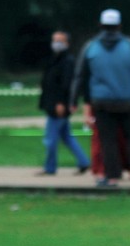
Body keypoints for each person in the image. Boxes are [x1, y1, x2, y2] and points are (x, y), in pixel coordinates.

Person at [71, 8, 130, 188]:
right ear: (119, 25)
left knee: (108, 139)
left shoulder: (90, 46)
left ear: (101, 25)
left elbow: (80, 75)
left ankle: (112, 176)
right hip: (128, 101)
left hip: (101, 102)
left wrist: (74, 100)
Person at [36, 30, 90, 176]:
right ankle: (84, 162)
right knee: (67, 137)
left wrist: (61, 102)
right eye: (54, 40)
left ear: (67, 43)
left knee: (51, 139)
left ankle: (50, 167)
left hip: (58, 105)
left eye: (60, 40)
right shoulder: (55, 59)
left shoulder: (67, 61)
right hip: (52, 103)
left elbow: (66, 85)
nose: (56, 43)